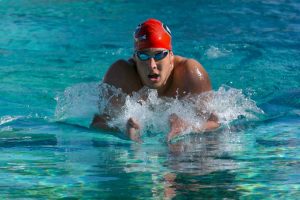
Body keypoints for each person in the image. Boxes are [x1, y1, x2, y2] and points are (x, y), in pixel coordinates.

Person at [91, 18, 220, 142]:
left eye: (159, 55)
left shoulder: (190, 75)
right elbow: (98, 123)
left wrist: (188, 127)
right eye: (143, 55)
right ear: (135, 58)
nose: (152, 65)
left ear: (170, 56)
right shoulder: (120, 75)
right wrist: (123, 129)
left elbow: (214, 122)